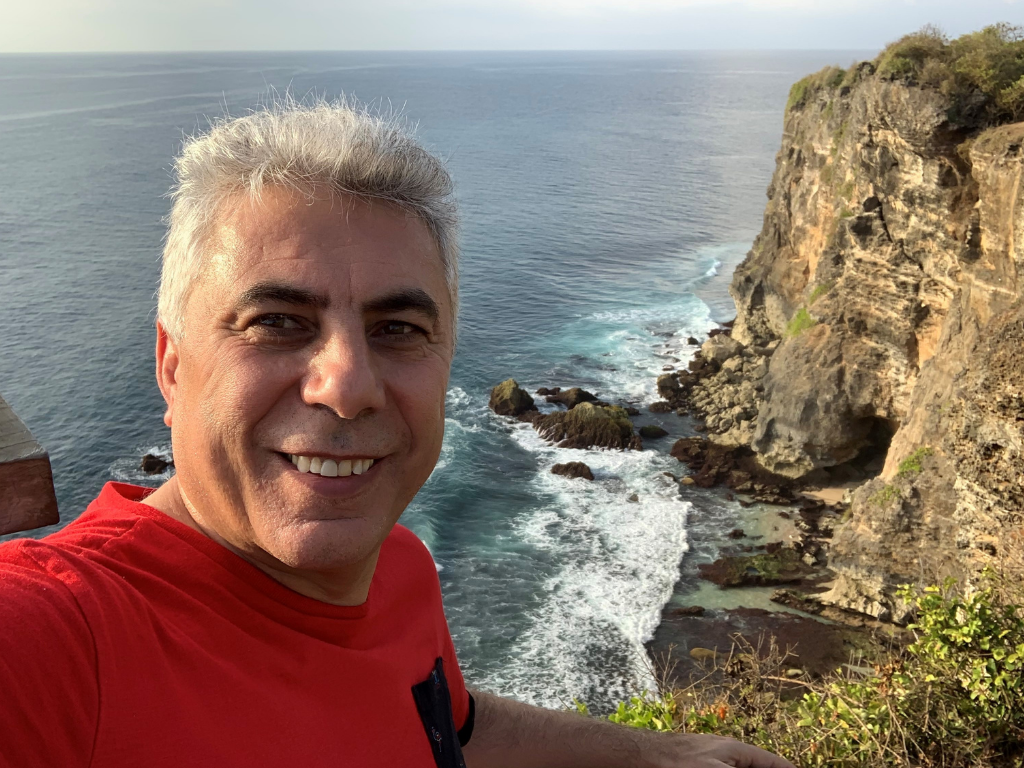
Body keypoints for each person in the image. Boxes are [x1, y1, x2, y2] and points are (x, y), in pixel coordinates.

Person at [0, 100, 794, 768]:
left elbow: (449, 725)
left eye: (399, 328)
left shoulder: (399, 568)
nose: (347, 387)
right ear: (173, 366)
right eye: (277, 322)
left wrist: (659, 753)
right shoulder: (60, 640)